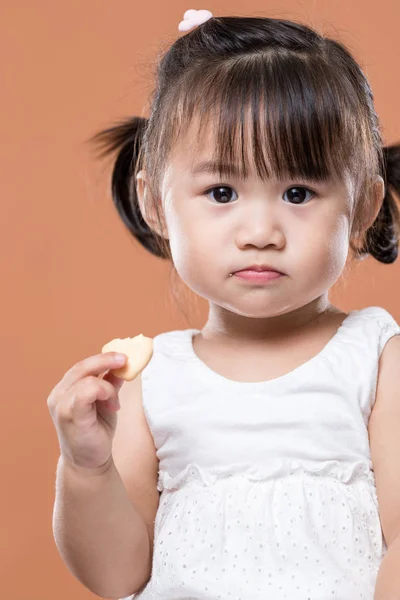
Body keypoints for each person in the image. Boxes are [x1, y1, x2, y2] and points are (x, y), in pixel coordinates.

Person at [47, 9, 400, 600]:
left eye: (297, 192)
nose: (259, 229)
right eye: (221, 192)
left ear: (363, 204)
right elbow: (116, 576)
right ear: (155, 204)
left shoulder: (377, 361)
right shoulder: (150, 379)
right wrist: (87, 467)